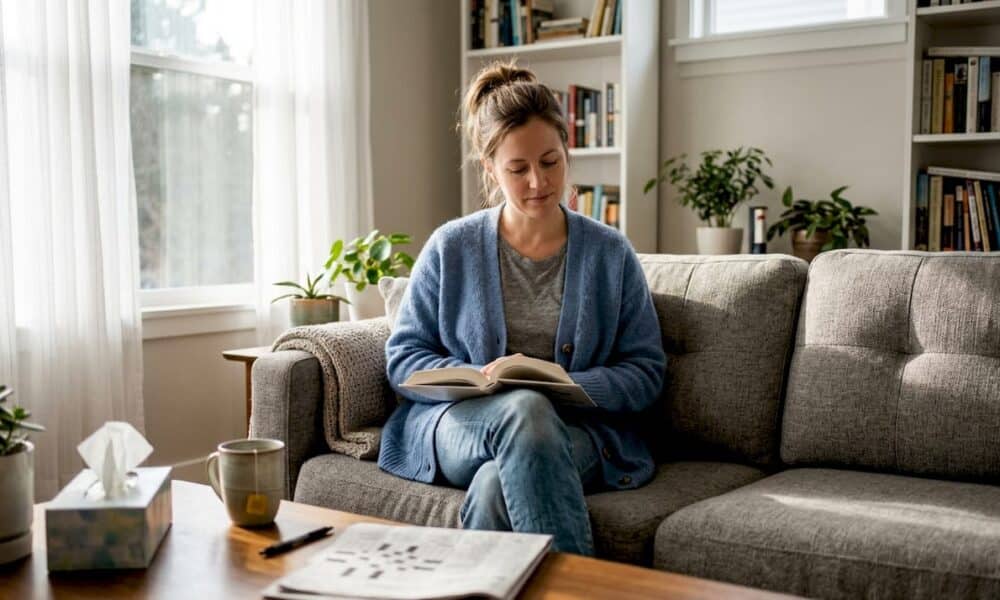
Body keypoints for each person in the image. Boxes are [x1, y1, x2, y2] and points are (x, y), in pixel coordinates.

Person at [379, 60, 665, 556]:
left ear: (566, 151)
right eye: (518, 168)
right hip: (460, 425)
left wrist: (573, 383)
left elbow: (646, 372)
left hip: (575, 434)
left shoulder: (609, 253)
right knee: (524, 411)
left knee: (494, 485)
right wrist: (474, 374)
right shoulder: (451, 247)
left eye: (550, 162)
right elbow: (404, 358)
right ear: (490, 169)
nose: (538, 181)